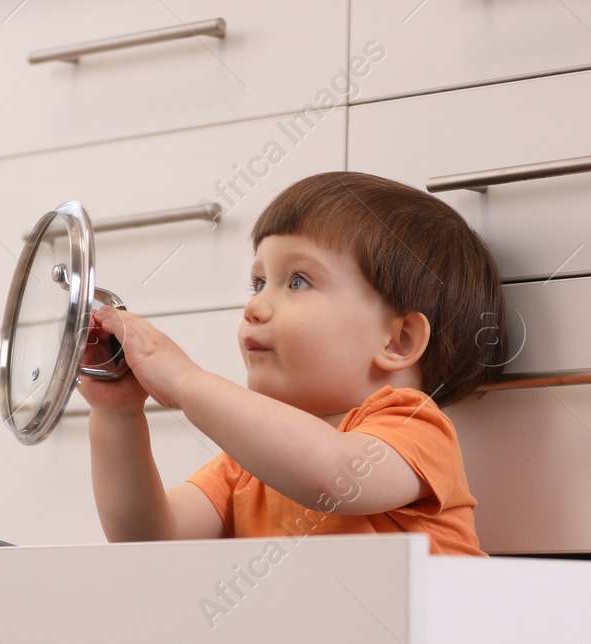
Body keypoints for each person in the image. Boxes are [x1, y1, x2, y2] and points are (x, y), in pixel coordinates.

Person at [77, 171, 509, 557]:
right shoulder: (247, 465)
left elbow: (333, 478)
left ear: (398, 340)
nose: (255, 307)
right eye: (259, 282)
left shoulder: (415, 428)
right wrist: (117, 413)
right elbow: (150, 542)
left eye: (297, 282)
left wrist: (186, 380)